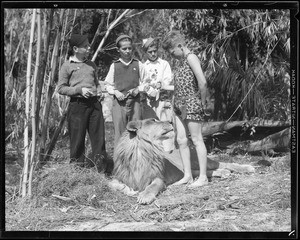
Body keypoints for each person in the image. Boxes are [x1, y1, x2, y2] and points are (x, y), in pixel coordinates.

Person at [162, 30, 210, 188]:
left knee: (196, 139)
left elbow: (202, 82)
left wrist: (202, 103)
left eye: (172, 52)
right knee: (181, 140)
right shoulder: (180, 61)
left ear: (180, 46)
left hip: (191, 103)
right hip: (178, 105)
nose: (172, 55)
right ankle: (188, 175)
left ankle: (203, 177)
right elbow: (179, 84)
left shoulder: (191, 57)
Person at [57, 34, 108, 172]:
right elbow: (61, 88)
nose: (88, 47)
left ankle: (101, 170)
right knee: (77, 139)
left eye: (88, 45)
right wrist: (79, 90)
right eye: (85, 46)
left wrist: (99, 92)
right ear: (75, 49)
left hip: (94, 105)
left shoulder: (91, 64)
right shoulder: (67, 66)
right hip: (77, 106)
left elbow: (96, 83)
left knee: (99, 138)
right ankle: (77, 171)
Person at [104, 34, 148, 147]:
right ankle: (120, 162)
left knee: (137, 131)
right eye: (124, 49)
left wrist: (138, 89)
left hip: (135, 102)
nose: (127, 51)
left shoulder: (138, 64)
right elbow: (107, 85)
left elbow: (146, 82)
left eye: (130, 48)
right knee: (120, 133)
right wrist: (115, 92)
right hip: (119, 103)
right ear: (118, 50)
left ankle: (136, 161)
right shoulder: (115, 66)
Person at [141, 37, 174, 121]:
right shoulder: (143, 66)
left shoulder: (164, 64)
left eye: (155, 51)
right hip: (148, 100)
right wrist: (149, 91)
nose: (153, 54)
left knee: (164, 123)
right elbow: (142, 82)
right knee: (151, 123)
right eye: (150, 52)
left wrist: (160, 87)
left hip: (162, 99)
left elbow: (168, 79)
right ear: (145, 52)